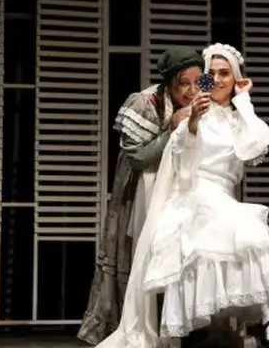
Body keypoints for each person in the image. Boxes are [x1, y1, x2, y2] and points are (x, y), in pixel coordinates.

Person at [94, 43, 269, 348]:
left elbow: (255, 148)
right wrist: (192, 123)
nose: (218, 79)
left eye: (225, 73)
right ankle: (185, 333)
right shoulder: (193, 113)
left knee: (253, 232)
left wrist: (244, 100)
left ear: (235, 78)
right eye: (211, 74)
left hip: (223, 199)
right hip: (191, 195)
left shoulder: (238, 118)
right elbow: (182, 163)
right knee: (213, 236)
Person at [78, 47, 205, 345]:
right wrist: (172, 129)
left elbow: (214, 90)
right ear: (169, 82)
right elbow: (138, 158)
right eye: (183, 83)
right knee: (141, 256)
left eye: (197, 82)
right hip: (141, 191)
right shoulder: (145, 102)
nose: (191, 90)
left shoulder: (200, 95)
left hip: (178, 188)